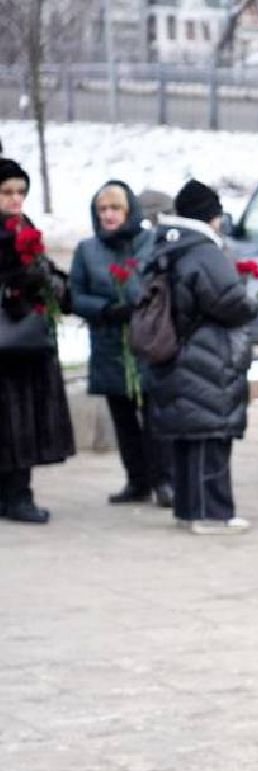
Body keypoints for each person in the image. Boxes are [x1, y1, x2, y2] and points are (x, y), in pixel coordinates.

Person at [146, 180, 258, 534]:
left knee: (188, 438)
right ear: (210, 216)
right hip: (206, 356)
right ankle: (213, 513)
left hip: (177, 353)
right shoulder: (203, 250)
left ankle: (188, 509)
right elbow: (229, 301)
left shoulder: (167, 246)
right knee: (211, 436)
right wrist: (250, 300)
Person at [69, 179, 172, 507]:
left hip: (147, 341)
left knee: (154, 415)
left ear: (129, 211)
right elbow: (74, 296)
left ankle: (164, 480)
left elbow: (162, 284)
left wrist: (139, 302)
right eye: (102, 209)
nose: (108, 215)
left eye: (115, 208)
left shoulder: (150, 243)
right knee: (123, 418)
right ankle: (136, 481)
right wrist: (104, 309)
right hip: (110, 343)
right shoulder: (87, 250)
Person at [0, 158, 74, 524]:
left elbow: (44, 274)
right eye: (6, 192)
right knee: (10, 420)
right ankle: (14, 496)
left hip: (25, 342)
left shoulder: (23, 228)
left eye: (21, 192)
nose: (16, 199)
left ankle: (16, 493)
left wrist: (55, 285)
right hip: (10, 340)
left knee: (21, 419)